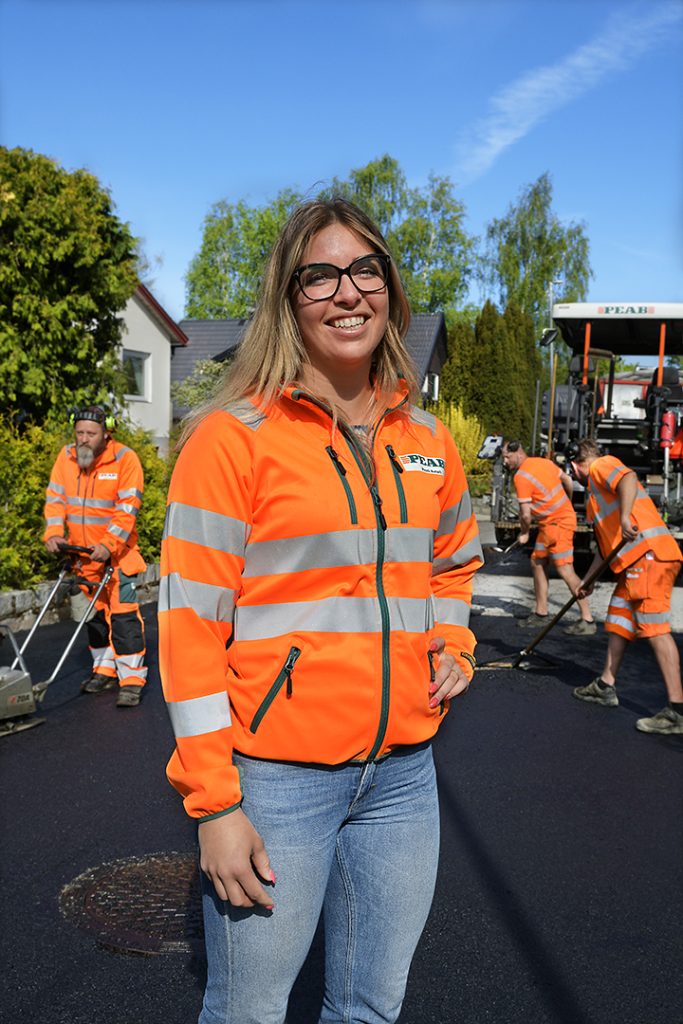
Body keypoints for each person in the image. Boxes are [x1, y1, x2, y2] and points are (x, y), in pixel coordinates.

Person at [158, 197, 483, 1024]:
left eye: (364, 270)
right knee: (249, 1011)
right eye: (321, 276)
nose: (348, 293)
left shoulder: (428, 439)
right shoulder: (232, 439)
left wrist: (451, 638)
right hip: (275, 784)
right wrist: (216, 806)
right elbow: (189, 630)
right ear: (287, 300)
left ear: (391, 289)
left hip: (403, 776)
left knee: (373, 1005)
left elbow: (452, 562)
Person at [570, 438, 683, 735]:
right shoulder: (595, 496)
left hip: (649, 557)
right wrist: (587, 582)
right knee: (619, 619)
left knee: (654, 628)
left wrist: (623, 517)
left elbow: (629, 477)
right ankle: (605, 684)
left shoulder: (600, 467)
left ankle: (677, 711)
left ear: (574, 465)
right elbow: (604, 549)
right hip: (634, 565)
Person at [43, 406, 147, 707]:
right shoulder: (66, 458)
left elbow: (127, 508)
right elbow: (55, 498)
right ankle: (103, 669)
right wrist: (53, 533)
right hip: (82, 557)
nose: (84, 439)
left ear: (106, 433)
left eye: (91, 433)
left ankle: (131, 680)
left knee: (124, 617)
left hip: (117, 557)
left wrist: (109, 543)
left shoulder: (125, 460)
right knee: (95, 619)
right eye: (79, 433)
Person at [501, 440, 595, 634]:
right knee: (537, 562)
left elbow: (525, 514)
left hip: (557, 525)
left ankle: (587, 618)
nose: (505, 461)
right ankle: (541, 613)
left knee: (565, 570)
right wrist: (566, 503)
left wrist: (525, 533)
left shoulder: (521, 477)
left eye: (507, 457)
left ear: (518, 454)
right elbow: (568, 481)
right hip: (552, 523)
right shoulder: (543, 462)